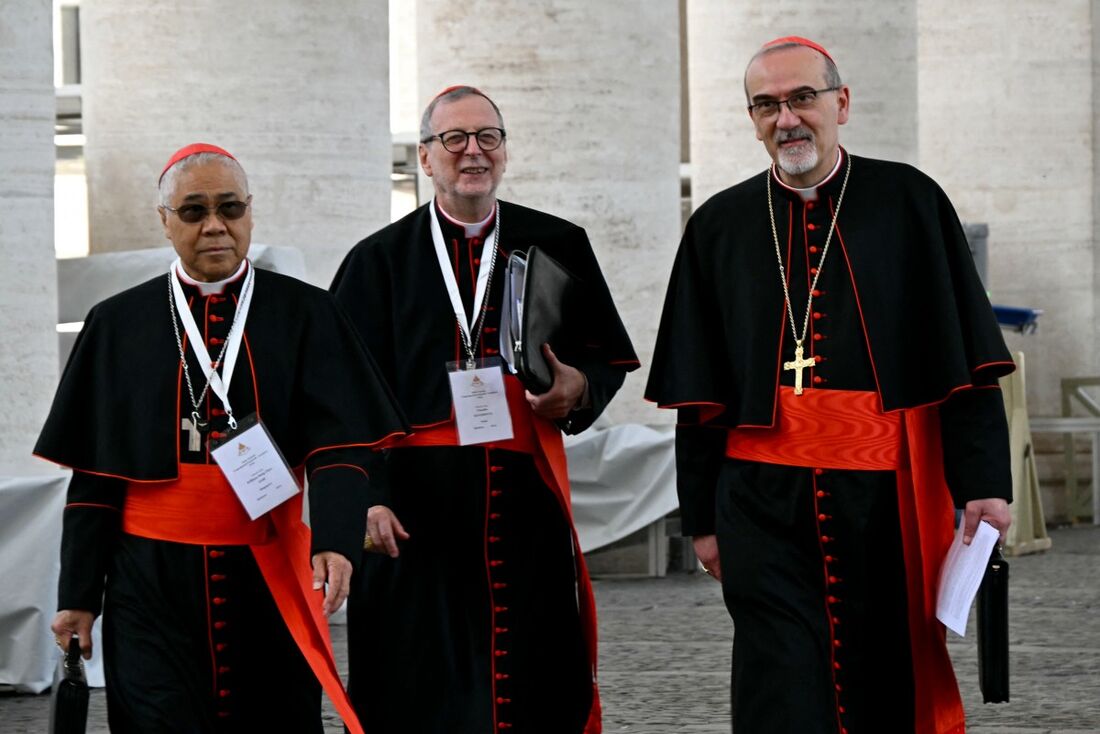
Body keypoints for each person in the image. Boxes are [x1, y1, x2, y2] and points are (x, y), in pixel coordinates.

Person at [645, 37, 1014, 733]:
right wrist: (701, 519)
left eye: (802, 98)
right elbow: (697, 393)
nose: (787, 119)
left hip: (882, 503)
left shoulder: (908, 202)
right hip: (758, 505)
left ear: (840, 103)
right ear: (752, 118)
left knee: (885, 676)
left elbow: (963, 363)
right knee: (778, 682)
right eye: (767, 105)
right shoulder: (719, 225)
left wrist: (984, 484)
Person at [36, 143, 407, 733]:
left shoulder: (306, 313)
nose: (215, 225)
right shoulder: (117, 323)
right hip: (148, 583)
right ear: (165, 220)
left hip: (266, 574)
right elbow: (95, 477)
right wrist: (78, 594)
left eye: (230, 208)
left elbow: (339, 445)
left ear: (250, 213)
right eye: (193, 211)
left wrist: (334, 540)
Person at [331, 85, 639, 734]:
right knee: (418, 685)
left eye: (488, 137)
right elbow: (341, 401)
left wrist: (577, 390)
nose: (473, 151)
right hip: (413, 518)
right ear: (425, 158)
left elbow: (605, 358)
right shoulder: (376, 262)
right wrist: (367, 498)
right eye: (455, 139)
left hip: (524, 505)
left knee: (534, 677)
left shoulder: (559, 243)